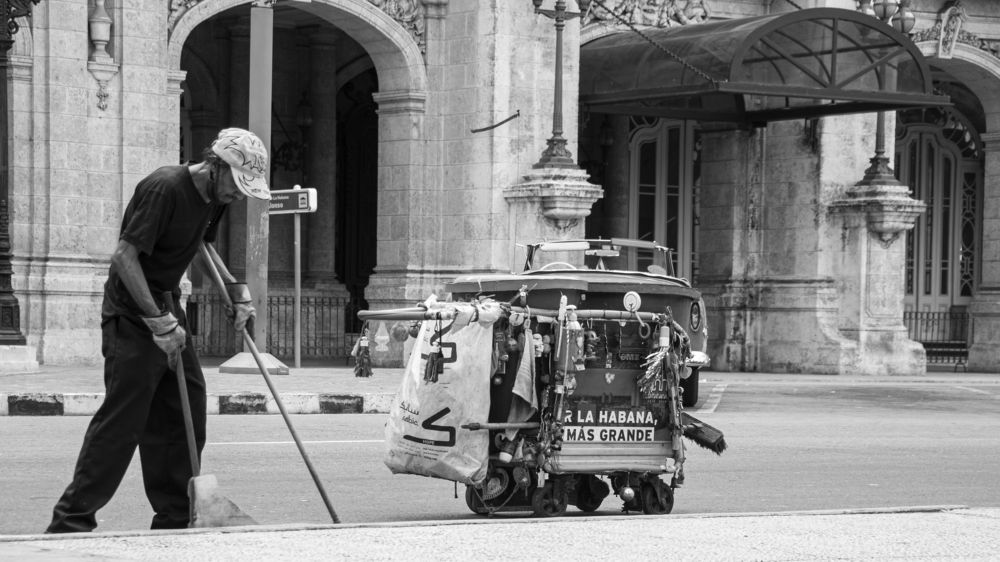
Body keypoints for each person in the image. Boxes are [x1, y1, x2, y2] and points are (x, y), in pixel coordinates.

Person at [46, 128, 271, 533]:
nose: (238, 196)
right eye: (236, 186)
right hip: (132, 313)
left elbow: (200, 244)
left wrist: (235, 291)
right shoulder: (164, 187)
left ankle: (174, 517)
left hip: (168, 304)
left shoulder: (214, 197)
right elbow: (124, 256)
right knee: (124, 419)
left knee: (184, 409)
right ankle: (71, 521)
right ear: (215, 165)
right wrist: (156, 321)